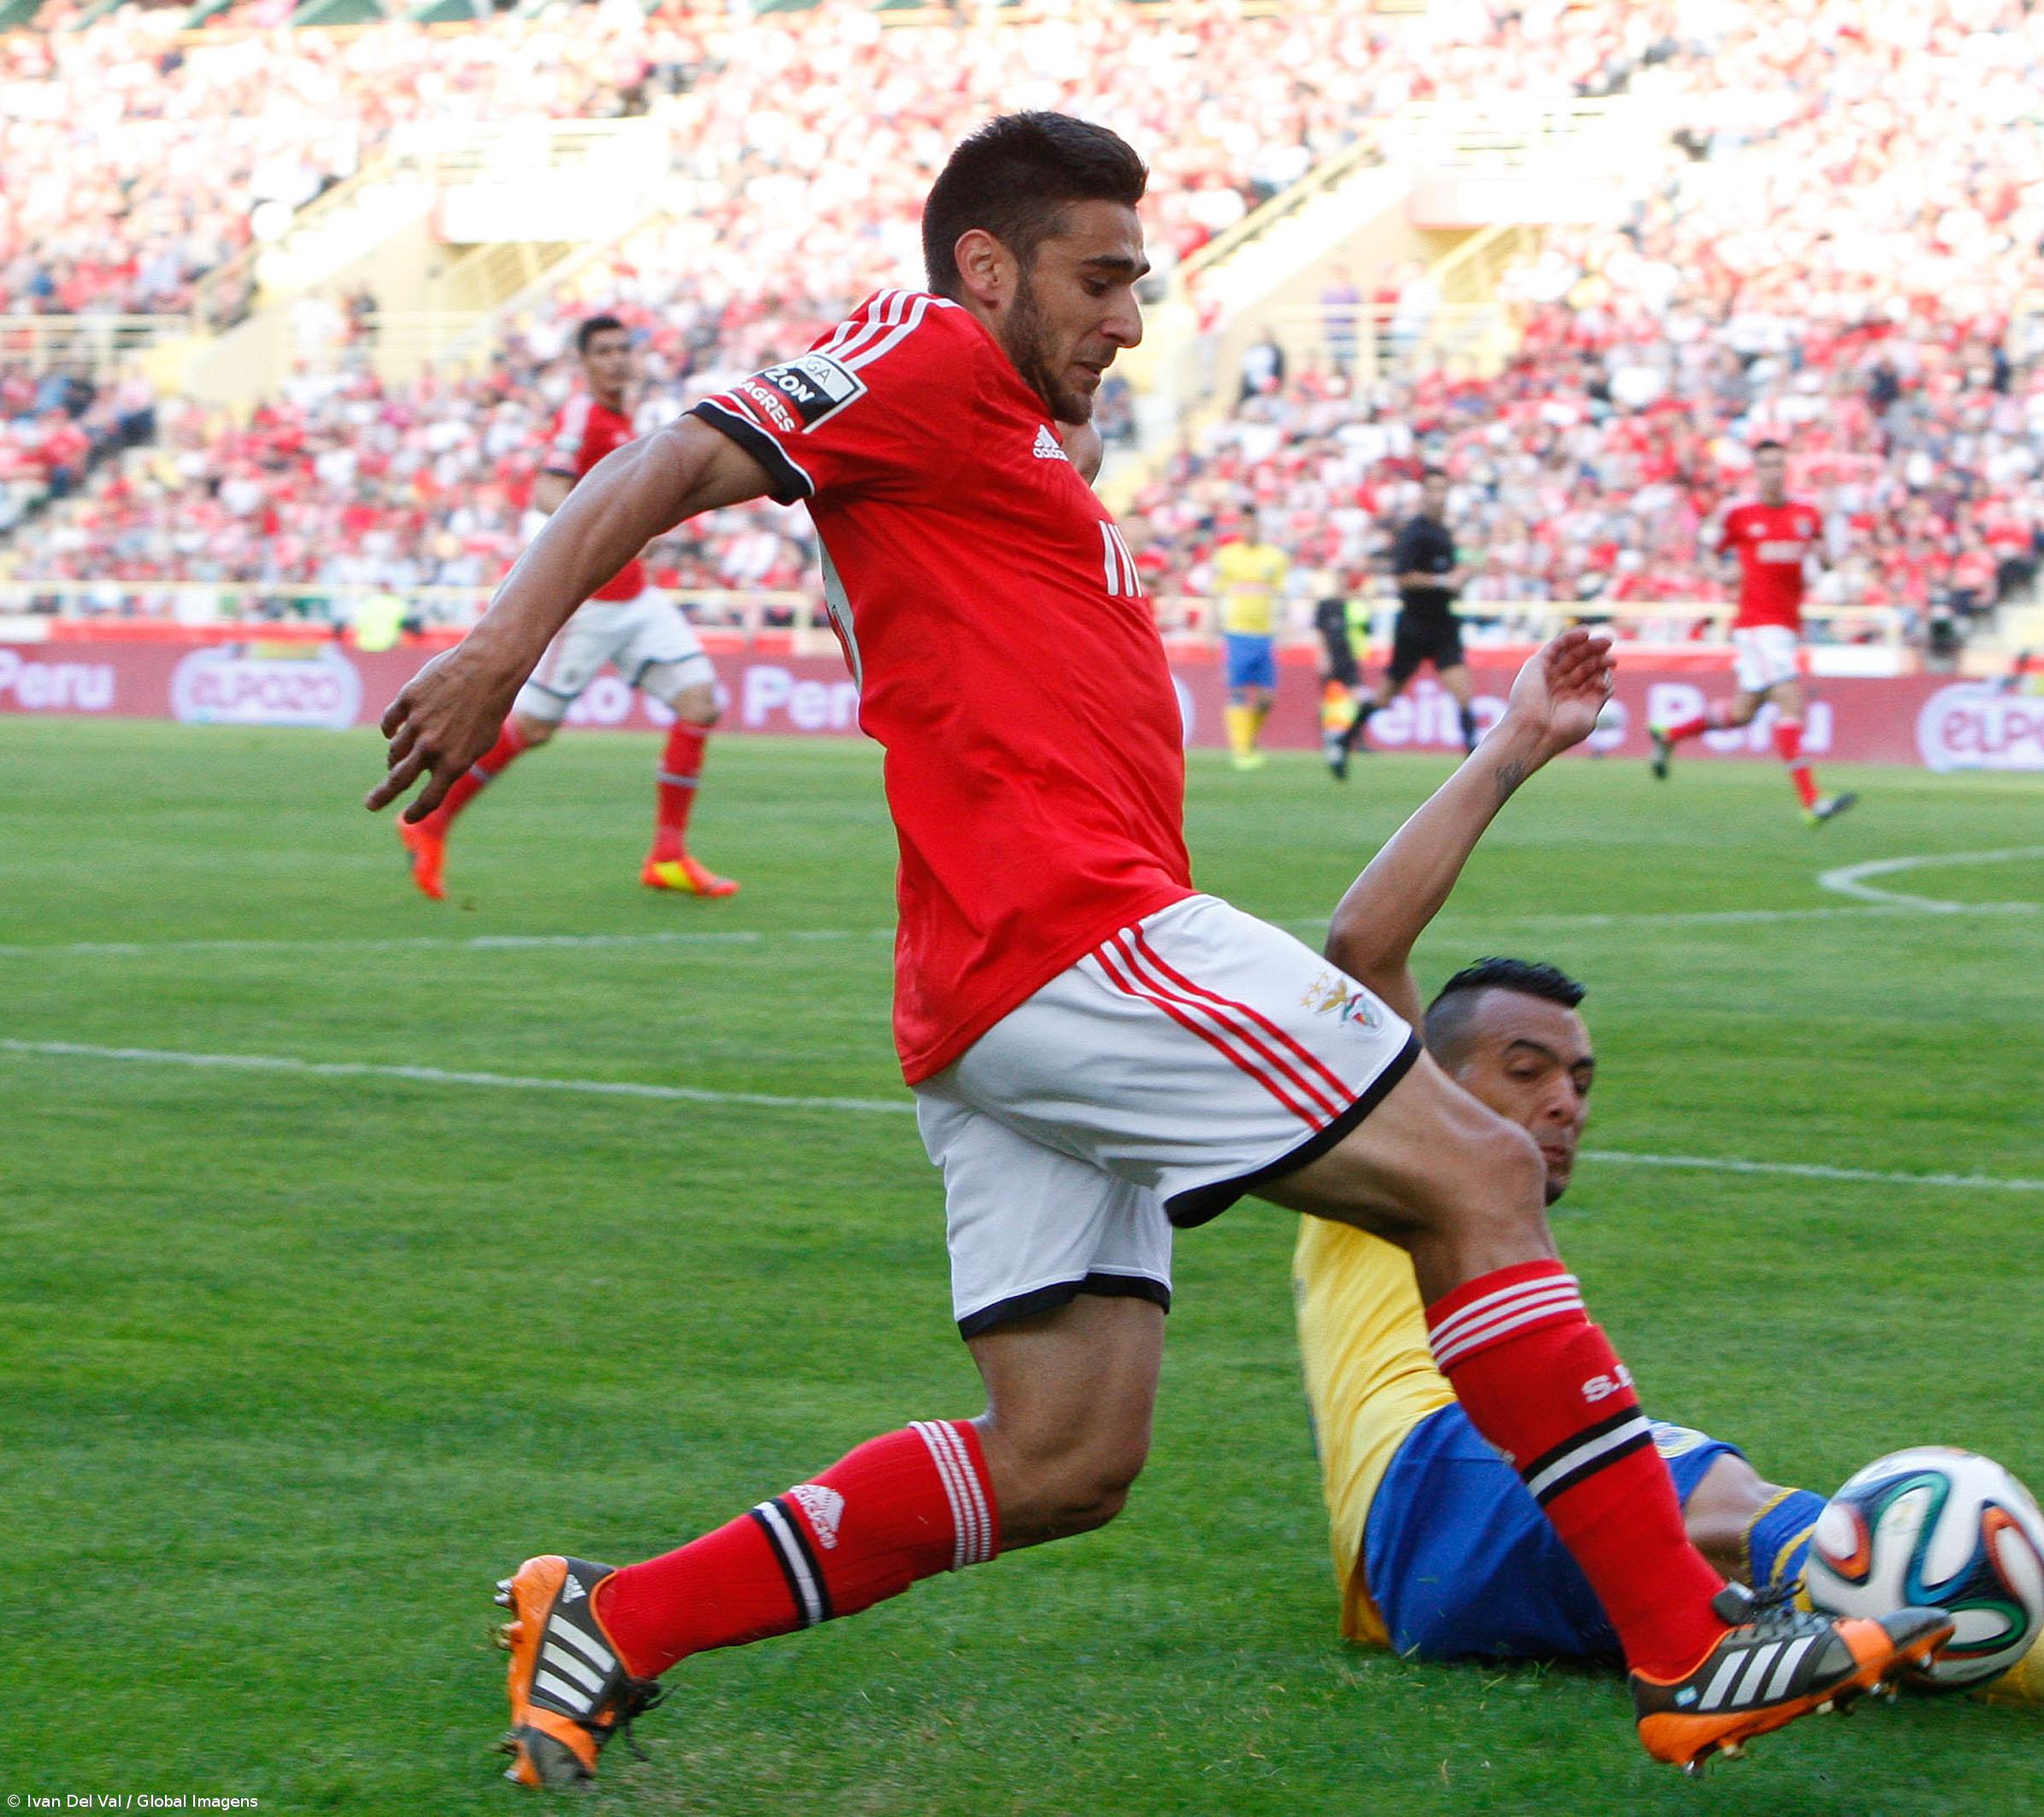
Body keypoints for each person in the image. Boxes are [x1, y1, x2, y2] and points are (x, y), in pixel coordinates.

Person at [365, 112, 1940, 1790]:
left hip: (993, 991)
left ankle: (619, 1617)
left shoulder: (1007, 454)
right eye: (1100, 277)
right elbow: (672, 455)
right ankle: (1686, 1646)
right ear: (985, 266)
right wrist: (498, 649)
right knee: (1480, 1172)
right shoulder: (920, 352)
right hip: (1071, 932)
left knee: (1062, 1458)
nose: (1130, 316)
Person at [1294, 681, 2044, 1747]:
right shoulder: (1392, 1126)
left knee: (1808, 1615)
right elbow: (1361, 940)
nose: (1563, 1102)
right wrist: (1517, 741)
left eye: (1583, 1081)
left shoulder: (1479, 1212)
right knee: (1733, 1505)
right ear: (1427, 1074)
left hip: (1438, 1553)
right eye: (1526, 1068)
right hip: (1433, 1484)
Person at [394, 314, 737, 902]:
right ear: (583, 362)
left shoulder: (625, 415)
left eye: (621, 350)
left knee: (699, 703)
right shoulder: (583, 414)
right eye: (601, 351)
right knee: (533, 726)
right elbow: (548, 490)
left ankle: (668, 854)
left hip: (636, 596)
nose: (614, 360)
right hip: (592, 604)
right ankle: (431, 821)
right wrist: (615, 524)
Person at [1648, 440, 1856, 827]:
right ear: (1756, 472)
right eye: (1766, 465)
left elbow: (1825, 559)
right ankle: (1811, 802)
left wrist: (1826, 556)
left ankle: (1670, 732)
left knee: (1744, 712)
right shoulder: (1741, 516)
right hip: (1759, 626)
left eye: (1779, 464)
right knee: (1790, 702)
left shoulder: (1807, 515)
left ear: (1786, 469)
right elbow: (1710, 552)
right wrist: (1721, 573)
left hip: (1786, 626)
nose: (1773, 472)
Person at [1331, 470, 1473, 781]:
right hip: (1414, 626)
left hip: (1442, 624)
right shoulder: (1415, 534)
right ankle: (1343, 741)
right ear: (1424, 495)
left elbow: (1446, 580)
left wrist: (1458, 581)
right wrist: (1442, 580)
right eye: (1434, 490)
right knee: (1385, 696)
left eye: (1444, 490)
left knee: (1463, 694)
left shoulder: (1444, 533)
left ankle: (1476, 765)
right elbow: (1402, 577)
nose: (1440, 496)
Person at [1209, 505, 1291, 770]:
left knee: (1267, 697)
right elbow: (1217, 596)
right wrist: (1212, 629)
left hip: (1265, 633)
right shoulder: (1227, 557)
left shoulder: (1275, 557)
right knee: (1238, 692)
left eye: (1253, 524)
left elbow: (1280, 596)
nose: (1249, 529)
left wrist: (1285, 627)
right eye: (1244, 525)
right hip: (1237, 632)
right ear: (1238, 528)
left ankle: (1250, 739)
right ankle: (1241, 750)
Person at [1313, 573, 1371, 762]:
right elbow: (1320, 632)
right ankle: (1329, 740)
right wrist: (1323, 656)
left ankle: (1354, 739)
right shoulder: (1326, 605)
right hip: (1332, 658)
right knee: (1330, 702)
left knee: (1359, 701)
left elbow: (1364, 633)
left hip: (1349, 660)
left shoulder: (1354, 606)